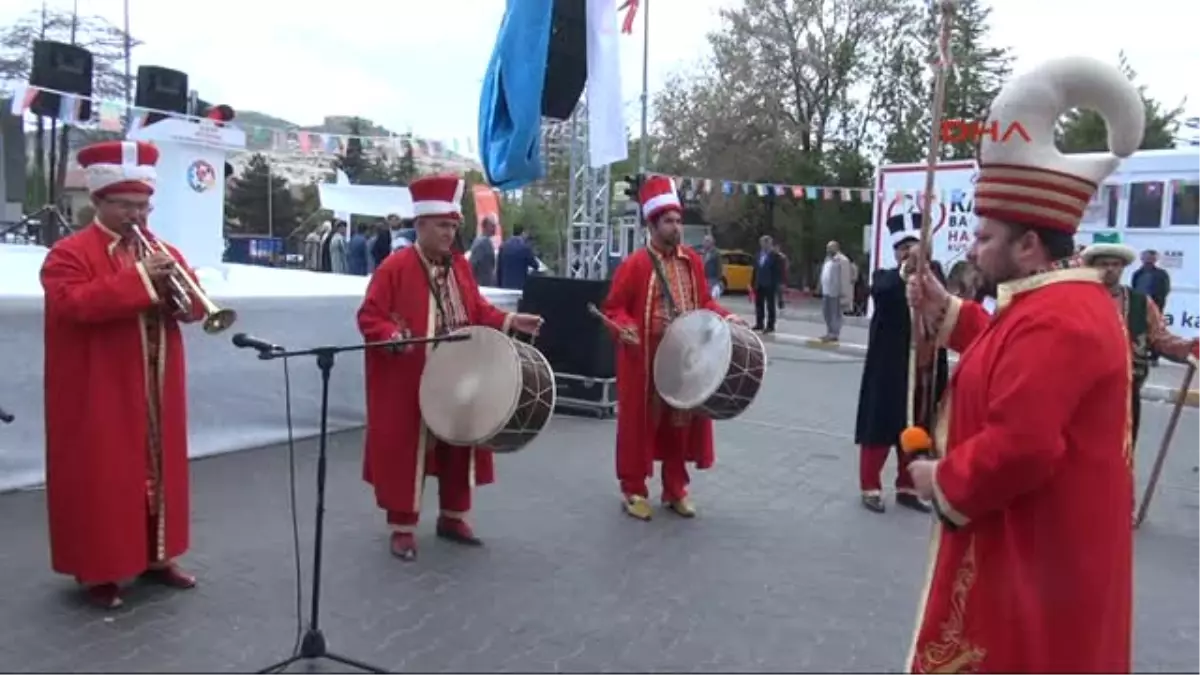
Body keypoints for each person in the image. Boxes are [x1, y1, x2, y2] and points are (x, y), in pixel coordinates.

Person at [903, 57, 1142, 672]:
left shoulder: (1058, 318)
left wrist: (944, 479)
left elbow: (1026, 443)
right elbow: (1008, 354)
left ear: (1029, 245)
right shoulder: (1060, 302)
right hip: (1051, 557)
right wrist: (947, 309)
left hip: (1036, 569)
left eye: (986, 236)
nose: (973, 246)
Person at [40, 140, 207, 608]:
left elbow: (194, 309)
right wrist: (141, 281)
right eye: (126, 206)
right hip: (102, 389)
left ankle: (158, 557)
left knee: (160, 469)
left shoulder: (163, 250)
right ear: (98, 202)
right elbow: (76, 305)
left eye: (143, 206)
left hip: (157, 384)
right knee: (104, 475)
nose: (138, 216)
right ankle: (100, 570)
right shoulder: (67, 254)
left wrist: (183, 297)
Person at [356, 174, 543, 561]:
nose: (450, 233)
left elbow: (477, 310)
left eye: (454, 225)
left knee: (461, 444)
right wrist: (392, 335)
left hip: (459, 375)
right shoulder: (395, 267)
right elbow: (369, 316)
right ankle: (403, 527)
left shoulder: (460, 267)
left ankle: (452, 517)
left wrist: (510, 321)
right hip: (413, 378)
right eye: (443, 225)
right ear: (420, 225)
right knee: (409, 450)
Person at [601, 175, 744, 520]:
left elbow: (704, 303)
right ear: (652, 224)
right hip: (645, 362)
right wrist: (627, 328)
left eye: (678, 220)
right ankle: (634, 489)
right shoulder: (634, 265)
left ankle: (675, 489)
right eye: (668, 221)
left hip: (683, 361)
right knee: (640, 428)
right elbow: (613, 309)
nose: (676, 226)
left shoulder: (691, 261)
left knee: (681, 425)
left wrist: (727, 317)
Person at [854, 217, 947, 514]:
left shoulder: (935, 278)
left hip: (924, 368)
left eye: (913, 248)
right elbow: (884, 293)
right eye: (903, 250)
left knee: (918, 426)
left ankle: (908, 486)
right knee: (881, 426)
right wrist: (908, 269)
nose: (908, 254)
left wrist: (924, 270)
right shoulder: (884, 277)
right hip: (890, 369)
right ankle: (870, 486)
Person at [1081, 243, 1199, 448]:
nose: (1110, 269)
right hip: (1081, 391)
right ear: (1091, 267)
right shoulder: (1076, 299)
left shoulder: (1140, 302)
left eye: (1115, 264)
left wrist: (1189, 347)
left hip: (1126, 391)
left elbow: (1160, 338)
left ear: (1122, 268)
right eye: (1103, 264)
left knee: (1122, 450)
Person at [1131, 249, 1171, 364]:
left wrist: (1157, 305)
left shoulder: (1161, 274)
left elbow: (1165, 290)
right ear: (1141, 259)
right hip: (1139, 307)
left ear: (1155, 259)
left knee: (1155, 331)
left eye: (1151, 258)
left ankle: (1155, 357)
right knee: (1139, 331)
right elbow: (1134, 288)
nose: (1148, 260)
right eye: (1146, 257)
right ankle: (1140, 354)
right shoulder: (1137, 274)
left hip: (1155, 307)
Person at [818, 240, 853, 341]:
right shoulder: (828, 259)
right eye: (827, 247)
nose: (828, 249)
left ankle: (834, 333)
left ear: (836, 248)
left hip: (836, 291)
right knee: (826, 312)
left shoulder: (842, 260)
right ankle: (829, 331)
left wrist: (844, 292)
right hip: (826, 290)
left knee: (835, 313)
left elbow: (845, 277)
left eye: (830, 247)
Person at [750, 235, 782, 333]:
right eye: (762, 243)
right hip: (759, 283)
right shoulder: (758, 255)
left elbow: (777, 272)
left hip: (770, 284)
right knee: (759, 304)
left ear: (769, 244)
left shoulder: (775, 256)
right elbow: (755, 270)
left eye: (765, 243)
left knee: (770, 305)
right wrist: (752, 282)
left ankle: (770, 325)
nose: (763, 245)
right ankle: (759, 323)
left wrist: (776, 284)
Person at [497, 224, 538, 290]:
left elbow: (499, 268)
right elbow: (535, 265)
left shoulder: (503, 246)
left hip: (505, 286)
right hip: (520, 286)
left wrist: (499, 284)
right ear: (523, 233)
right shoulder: (525, 248)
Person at [469, 215, 498, 286]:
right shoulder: (484, 242)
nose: (495, 228)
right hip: (483, 284)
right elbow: (472, 264)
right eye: (492, 226)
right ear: (485, 226)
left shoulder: (479, 240)